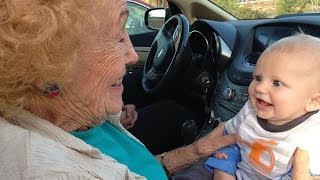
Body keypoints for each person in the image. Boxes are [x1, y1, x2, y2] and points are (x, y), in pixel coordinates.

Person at [0, 0, 237, 179]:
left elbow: (131, 171)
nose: (133, 55)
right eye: (117, 36)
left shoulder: (85, 116)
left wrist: (197, 151)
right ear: (47, 64)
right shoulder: (54, 172)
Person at [174, 34, 320, 180]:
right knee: (198, 170)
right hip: (234, 168)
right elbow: (229, 140)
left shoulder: (312, 135)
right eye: (257, 78)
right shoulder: (250, 109)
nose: (260, 88)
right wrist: (223, 172)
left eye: (277, 83)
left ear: (314, 101)